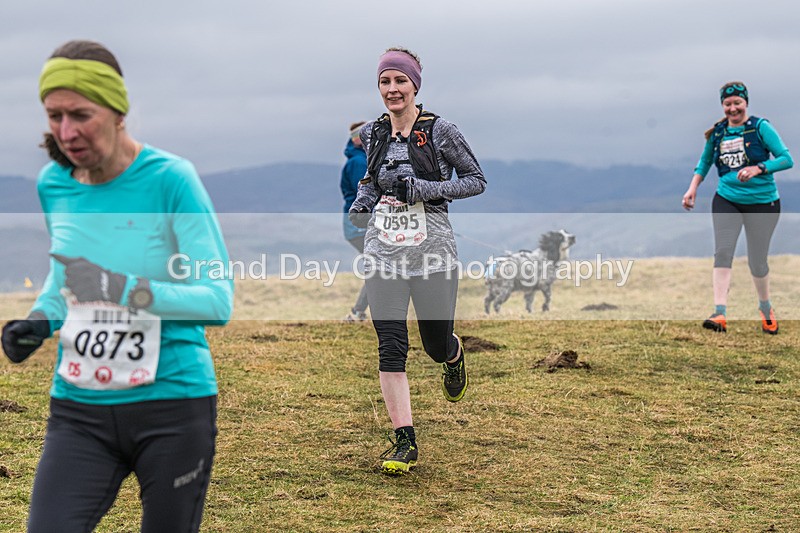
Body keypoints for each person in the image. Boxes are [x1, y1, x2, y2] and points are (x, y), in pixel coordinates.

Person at [1, 40, 233, 532]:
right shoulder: (54, 184)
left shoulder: (172, 179)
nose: (66, 132)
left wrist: (123, 288)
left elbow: (216, 300)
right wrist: (40, 319)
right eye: (54, 116)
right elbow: (66, 276)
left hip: (172, 405)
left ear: (117, 110)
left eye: (80, 114)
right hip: (79, 408)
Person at [348, 48, 486, 475]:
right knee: (391, 347)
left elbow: (476, 180)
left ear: (414, 86)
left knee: (433, 344)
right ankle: (404, 441)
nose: (392, 90)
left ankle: (452, 354)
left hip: (434, 252)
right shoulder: (374, 132)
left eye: (399, 82)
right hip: (383, 252)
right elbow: (371, 180)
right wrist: (361, 205)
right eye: (385, 82)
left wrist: (422, 190)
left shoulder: (441, 130)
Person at [682, 81, 793, 334]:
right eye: (728, 104)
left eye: (737, 103)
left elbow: (787, 159)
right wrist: (693, 188)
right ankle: (719, 313)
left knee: (757, 261)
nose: (733, 108)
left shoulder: (760, 128)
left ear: (746, 103)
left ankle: (765, 308)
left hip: (763, 203)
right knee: (723, 252)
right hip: (727, 199)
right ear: (722, 106)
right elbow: (705, 162)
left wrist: (758, 168)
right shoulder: (719, 132)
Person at [340, 121, 369, 322]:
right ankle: (357, 313)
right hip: (360, 224)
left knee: (380, 268)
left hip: (356, 224)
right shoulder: (359, 163)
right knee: (381, 269)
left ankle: (358, 313)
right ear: (357, 139)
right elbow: (366, 195)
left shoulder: (359, 159)